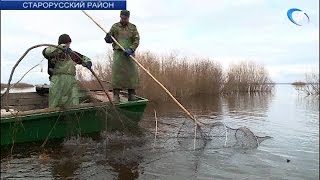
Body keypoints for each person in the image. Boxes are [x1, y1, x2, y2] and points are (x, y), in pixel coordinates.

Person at [42, 34, 93, 108]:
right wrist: (60, 48)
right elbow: (45, 52)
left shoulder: (72, 54)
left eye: (69, 44)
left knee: (73, 103)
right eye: (66, 43)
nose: (68, 45)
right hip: (57, 81)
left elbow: (85, 59)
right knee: (55, 103)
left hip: (71, 81)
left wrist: (88, 62)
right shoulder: (53, 52)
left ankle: (73, 118)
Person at [104, 10, 140, 103]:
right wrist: (107, 38)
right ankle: (116, 95)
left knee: (131, 74)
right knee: (117, 75)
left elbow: (136, 40)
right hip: (118, 53)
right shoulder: (115, 26)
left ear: (128, 18)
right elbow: (109, 39)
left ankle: (131, 94)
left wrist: (131, 49)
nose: (123, 20)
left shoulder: (133, 27)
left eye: (125, 18)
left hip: (129, 54)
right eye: (122, 18)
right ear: (120, 17)